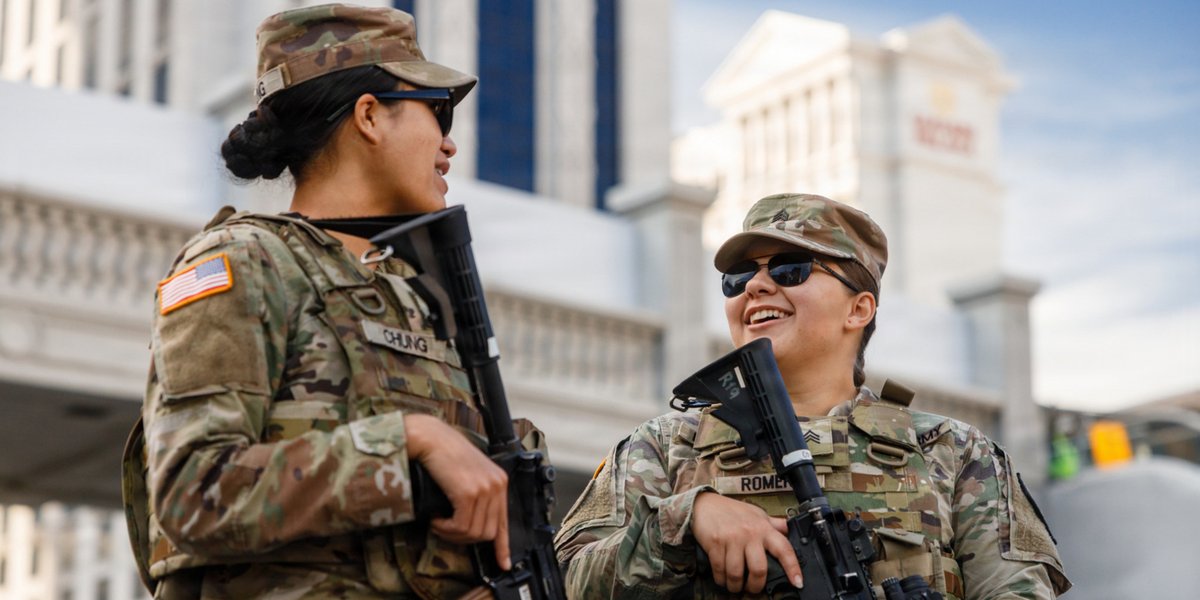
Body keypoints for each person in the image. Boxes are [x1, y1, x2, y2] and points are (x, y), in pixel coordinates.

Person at [122, 4, 529, 599]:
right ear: (370, 116)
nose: (448, 145)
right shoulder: (245, 261)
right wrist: (408, 441)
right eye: (437, 111)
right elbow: (192, 492)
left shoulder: (415, 294)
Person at [554, 193, 1071, 599]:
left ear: (859, 309)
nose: (755, 286)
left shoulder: (954, 452)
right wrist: (687, 520)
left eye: (789, 269)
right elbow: (563, 582)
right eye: (738, 277)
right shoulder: (665, 447)